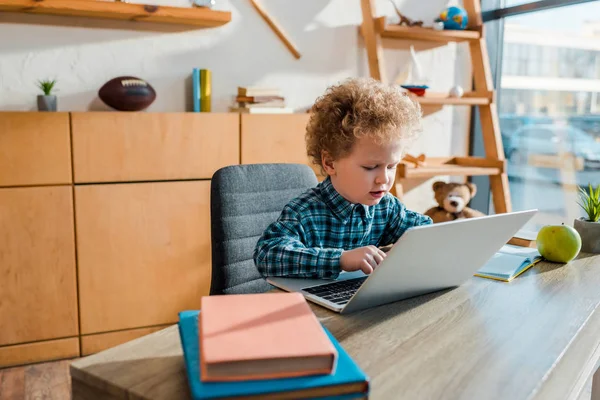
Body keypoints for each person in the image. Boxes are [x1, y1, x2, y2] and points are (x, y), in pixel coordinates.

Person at [253, 77, 432, 280]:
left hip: (360, 303)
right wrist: (341, 259)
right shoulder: (304, 213)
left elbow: (423, 232)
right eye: (370, 167)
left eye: (391, 166)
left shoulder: (386, 207)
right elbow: (267, 255)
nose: (383, 179)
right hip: (311, 308)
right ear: (330, 163)